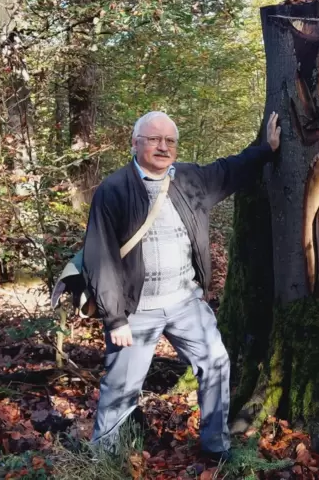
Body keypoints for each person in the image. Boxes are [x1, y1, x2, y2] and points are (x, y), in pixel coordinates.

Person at [82, 110, 281, 460]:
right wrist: (115, 319)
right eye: (154, 140)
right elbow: (101, 258)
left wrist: (267, 148)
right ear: (135, 144)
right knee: (121, 386)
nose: (163, 147)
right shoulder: (114, 190)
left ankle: (215, 446)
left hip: (186, 303)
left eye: (169, 141)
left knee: (217, 363)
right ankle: (104, 458)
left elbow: (230, 169)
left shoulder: (190, 179)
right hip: (135, 310)